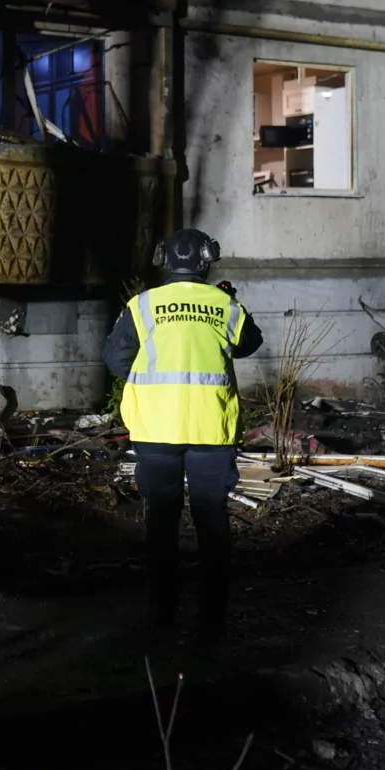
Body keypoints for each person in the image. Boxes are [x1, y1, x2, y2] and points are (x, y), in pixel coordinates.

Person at [104, 228, 263, 643]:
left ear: (165, 260)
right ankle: (212, 616)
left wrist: (147, 383)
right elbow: (250, 343)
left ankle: (161, 612)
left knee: (162, 520)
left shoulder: (143, 305)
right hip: (211, 428)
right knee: (212, 520)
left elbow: (115, 357)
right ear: (206, 262)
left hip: (157, 429)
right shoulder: (224, 304)